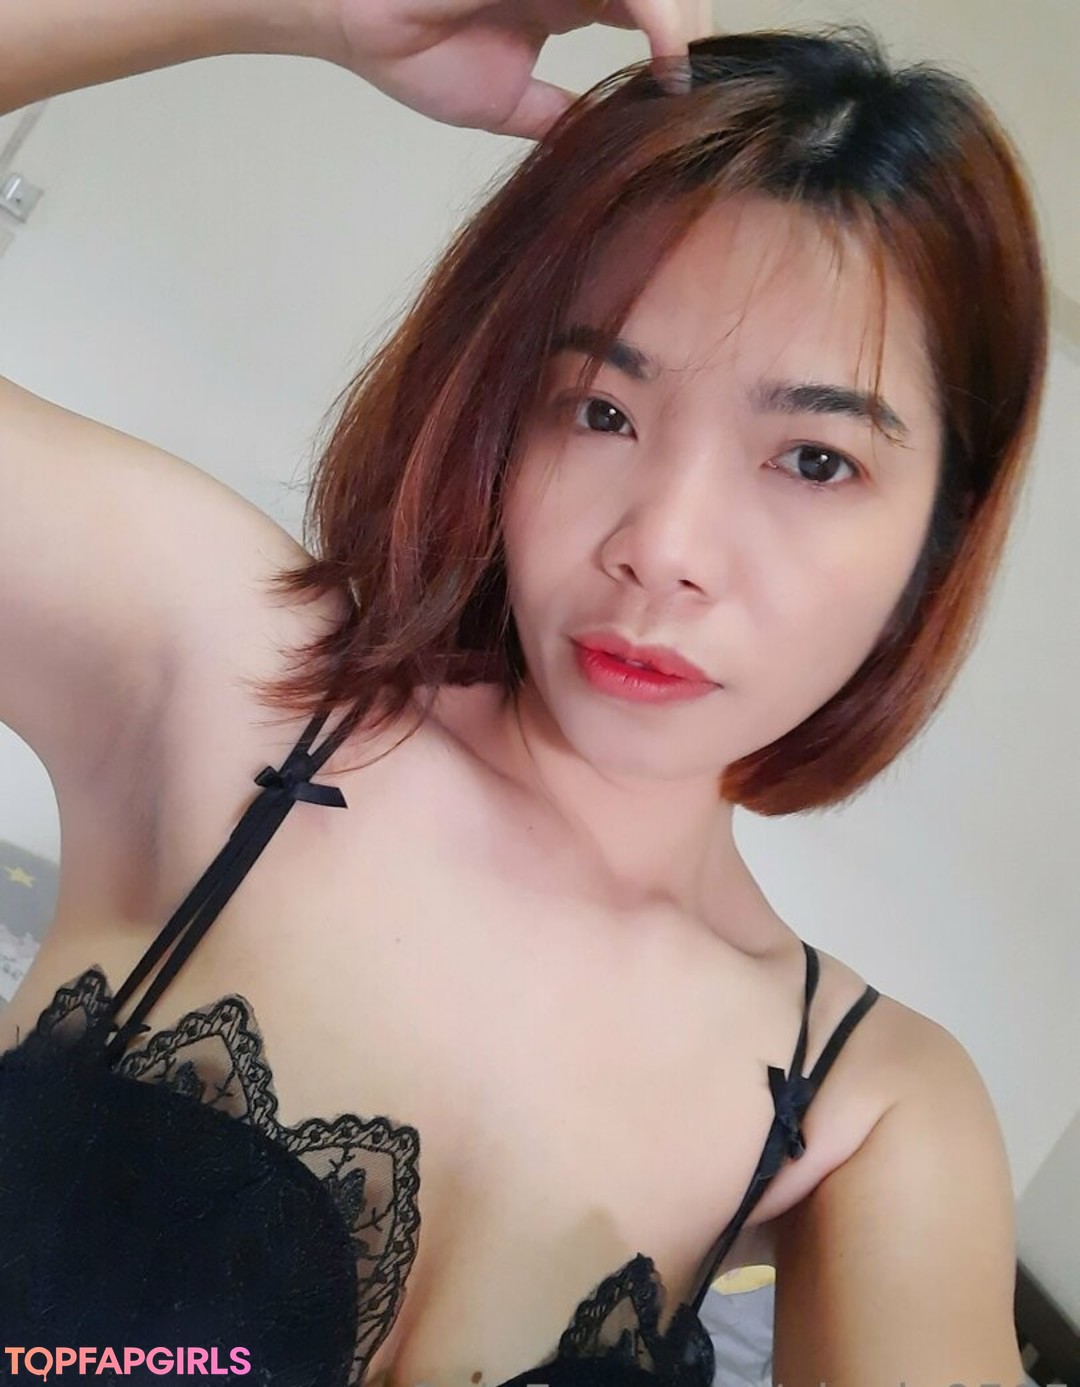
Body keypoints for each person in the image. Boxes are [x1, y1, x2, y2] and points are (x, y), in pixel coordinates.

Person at [0, 0, 1046, 1384]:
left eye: (813, 460)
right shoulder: (230, 683)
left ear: (940, 533)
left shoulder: (871, 1106)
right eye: (602, 410)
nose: (661, 547)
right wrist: (304, 8)